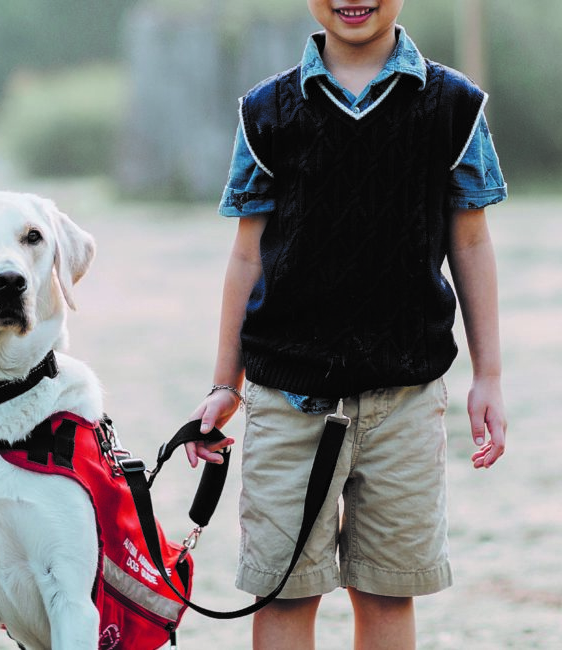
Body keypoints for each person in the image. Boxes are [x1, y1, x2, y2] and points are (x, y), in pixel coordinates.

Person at [182, 1, 509, 648]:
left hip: (406, 403)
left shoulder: (454, 107)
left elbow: (470, 242)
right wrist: (226, 382)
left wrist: (488, 376)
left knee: (388, 593)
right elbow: (247, 254)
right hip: (285, 401)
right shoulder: (266, 113)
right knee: (282, 595)